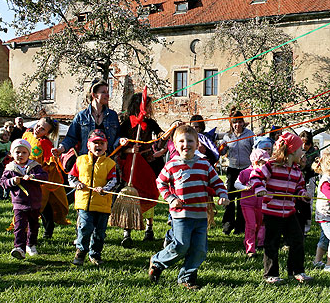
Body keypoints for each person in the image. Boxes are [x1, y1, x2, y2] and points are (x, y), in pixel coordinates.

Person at [148, 125, 229, 289]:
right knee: (181, 246)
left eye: (190, 140)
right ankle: (157, 262)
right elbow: (160, 182)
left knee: (199, 250)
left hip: (200, 215)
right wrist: (171, 198)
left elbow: (217, 182)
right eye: (181, 141)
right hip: (181, 215)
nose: (186, 144)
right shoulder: (172, 165)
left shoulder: (204, 165)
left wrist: (222, 195)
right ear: (175, 145)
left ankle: (186, 279)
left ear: (197, 143)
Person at [249, 132, 313, 284]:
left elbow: (298, 187)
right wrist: (259, 189)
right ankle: (270, 274)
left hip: (290, 212)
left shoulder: (297, 171)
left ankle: (297, 272)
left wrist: (302, 194)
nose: (302, 153)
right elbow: (255, 176)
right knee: (272, 243)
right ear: (291, 151)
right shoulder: (272, 166)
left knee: (297, 240)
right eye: (300, 150)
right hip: (272, 212)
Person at [115, 90, 165, 244]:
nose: (151, 109)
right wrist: (129, 149)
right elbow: (118, 142)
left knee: (149, 192)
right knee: (130, 194)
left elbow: (160, 135)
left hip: (147, 162)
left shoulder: (150, 123)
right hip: (131, 163)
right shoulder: (125, 122)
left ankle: (149, 228)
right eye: (149, 106)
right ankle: (127, 231)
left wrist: (167, 132)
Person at [69, 130, 118, 266]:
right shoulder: (80, 160)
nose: (98, 146)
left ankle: (95, 254)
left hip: (102, 204)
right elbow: (71, 176)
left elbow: (113, 181)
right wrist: (77, 184)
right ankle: (81, 252)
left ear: (106, 146)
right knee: (85, 227)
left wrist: (104, 190)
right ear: (88, 145)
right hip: (84, 203)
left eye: (101, 143)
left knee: (99, 233)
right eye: (95, 143)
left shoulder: (110, 164)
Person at [0, 138, 48, 259]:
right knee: (20, 226)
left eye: (24, 152)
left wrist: (33, 177)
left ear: (29, 154)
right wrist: (12, 181)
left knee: (33, 225)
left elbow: (44, 177)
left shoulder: (34, 166)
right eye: (17, 152)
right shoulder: (10, 168)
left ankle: (31, 245)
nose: (20, 155)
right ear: (12, 154)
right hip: (19, 203)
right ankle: (19, 247)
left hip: (34, 202)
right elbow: (3, 182)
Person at [24, 117, 67, 239]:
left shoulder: (45, 143)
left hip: (41, 180)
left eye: (42, 129)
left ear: (47, 133)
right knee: (36, 205)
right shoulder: (27, 135)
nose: (38, 129)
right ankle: (25, 228)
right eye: (38, 125)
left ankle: (43, 231)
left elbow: (50, 163)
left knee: (40, 205)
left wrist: (39, 173)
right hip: (26, 176)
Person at [220, 109, 254, 235]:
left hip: (246, 170)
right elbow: (223, 153)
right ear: (231, 123)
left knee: (242, 199)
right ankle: (227, 226)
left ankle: (240, 227)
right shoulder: (227, 136)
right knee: (229, 197)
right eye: (235, 122)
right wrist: (221, 149)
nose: (237, 125)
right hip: (232, 169)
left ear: (243, 122)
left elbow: (254, 150)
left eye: (240, 122)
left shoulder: (250, 134)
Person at [234, 148, 270, 257]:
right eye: (263, 163)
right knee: (251, 225)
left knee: (259, 224)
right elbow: (236, 184)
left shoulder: (265, 174)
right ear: (256, 162)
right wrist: (244, 187)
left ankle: (258, 242)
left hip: (260, 204)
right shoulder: (245, 173)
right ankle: (250, 249)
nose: (265, 165)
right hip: (247, 204)